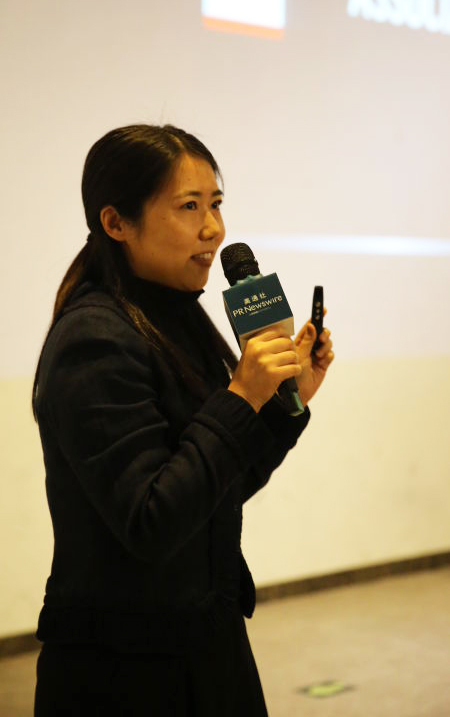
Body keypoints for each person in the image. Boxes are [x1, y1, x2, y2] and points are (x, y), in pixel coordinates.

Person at [31, 124, 334, 716]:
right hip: (125, 671)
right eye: (189, 206)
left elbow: (215, 491)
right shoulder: (95, 339)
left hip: (204, 643)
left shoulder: (175, 317)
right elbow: (153, 519)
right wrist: (240, 397)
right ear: (116, 222)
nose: (213, 228)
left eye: (215, 203)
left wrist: (282, 402)